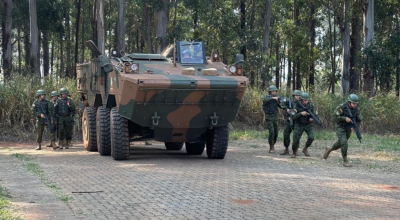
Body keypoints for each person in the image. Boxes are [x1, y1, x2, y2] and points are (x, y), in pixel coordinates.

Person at [324, 94, 362, 167]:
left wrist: (354, 126)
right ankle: (345, 161)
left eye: (356, 104)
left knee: (341, 143)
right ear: (349, 102)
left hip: (348, 128)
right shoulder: (342, 107)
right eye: (353, 103)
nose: (354, 105)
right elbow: (334, 117)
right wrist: (344, 118)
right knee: (344, 142)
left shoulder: (357, 109)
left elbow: (359, 119)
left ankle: (330, 149)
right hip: (340, 127)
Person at [291, 92, 316, 158]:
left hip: (308, 124)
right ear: (301, 100)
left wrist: (312, 118)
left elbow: (314, 114)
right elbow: (293, 117)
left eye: (307, 100)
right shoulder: (296, 106)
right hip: (299, 124)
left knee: (311, 137)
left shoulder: (311, 105)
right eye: (305, 100)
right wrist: (301, 114)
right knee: (295, 140)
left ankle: (305, 149)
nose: (306, 101)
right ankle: (294, 152)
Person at [280, 90, 302, 155]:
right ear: (294, 96)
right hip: (288, 120)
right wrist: (287, 109)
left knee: (296, 136)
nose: (297, 97)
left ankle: (296, 149)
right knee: (286, 134)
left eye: (298, 96)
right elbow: (282, 104)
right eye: (296, 95)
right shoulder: (289, 101)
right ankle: (286, 148)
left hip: (297, 121)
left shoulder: (301, 103)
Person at [262, 85, 282, 153]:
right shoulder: (267, 97)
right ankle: (271, 146)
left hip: (275, 117)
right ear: (270, 92)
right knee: (271, 132)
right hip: (269, 117)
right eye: (272, 91)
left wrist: (281, 101)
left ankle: (273, 143)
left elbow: (281, 106)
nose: (274, 92)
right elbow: (264, 100)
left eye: (275, 91)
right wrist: (273, 98)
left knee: (276, 132)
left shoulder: (277, 98)